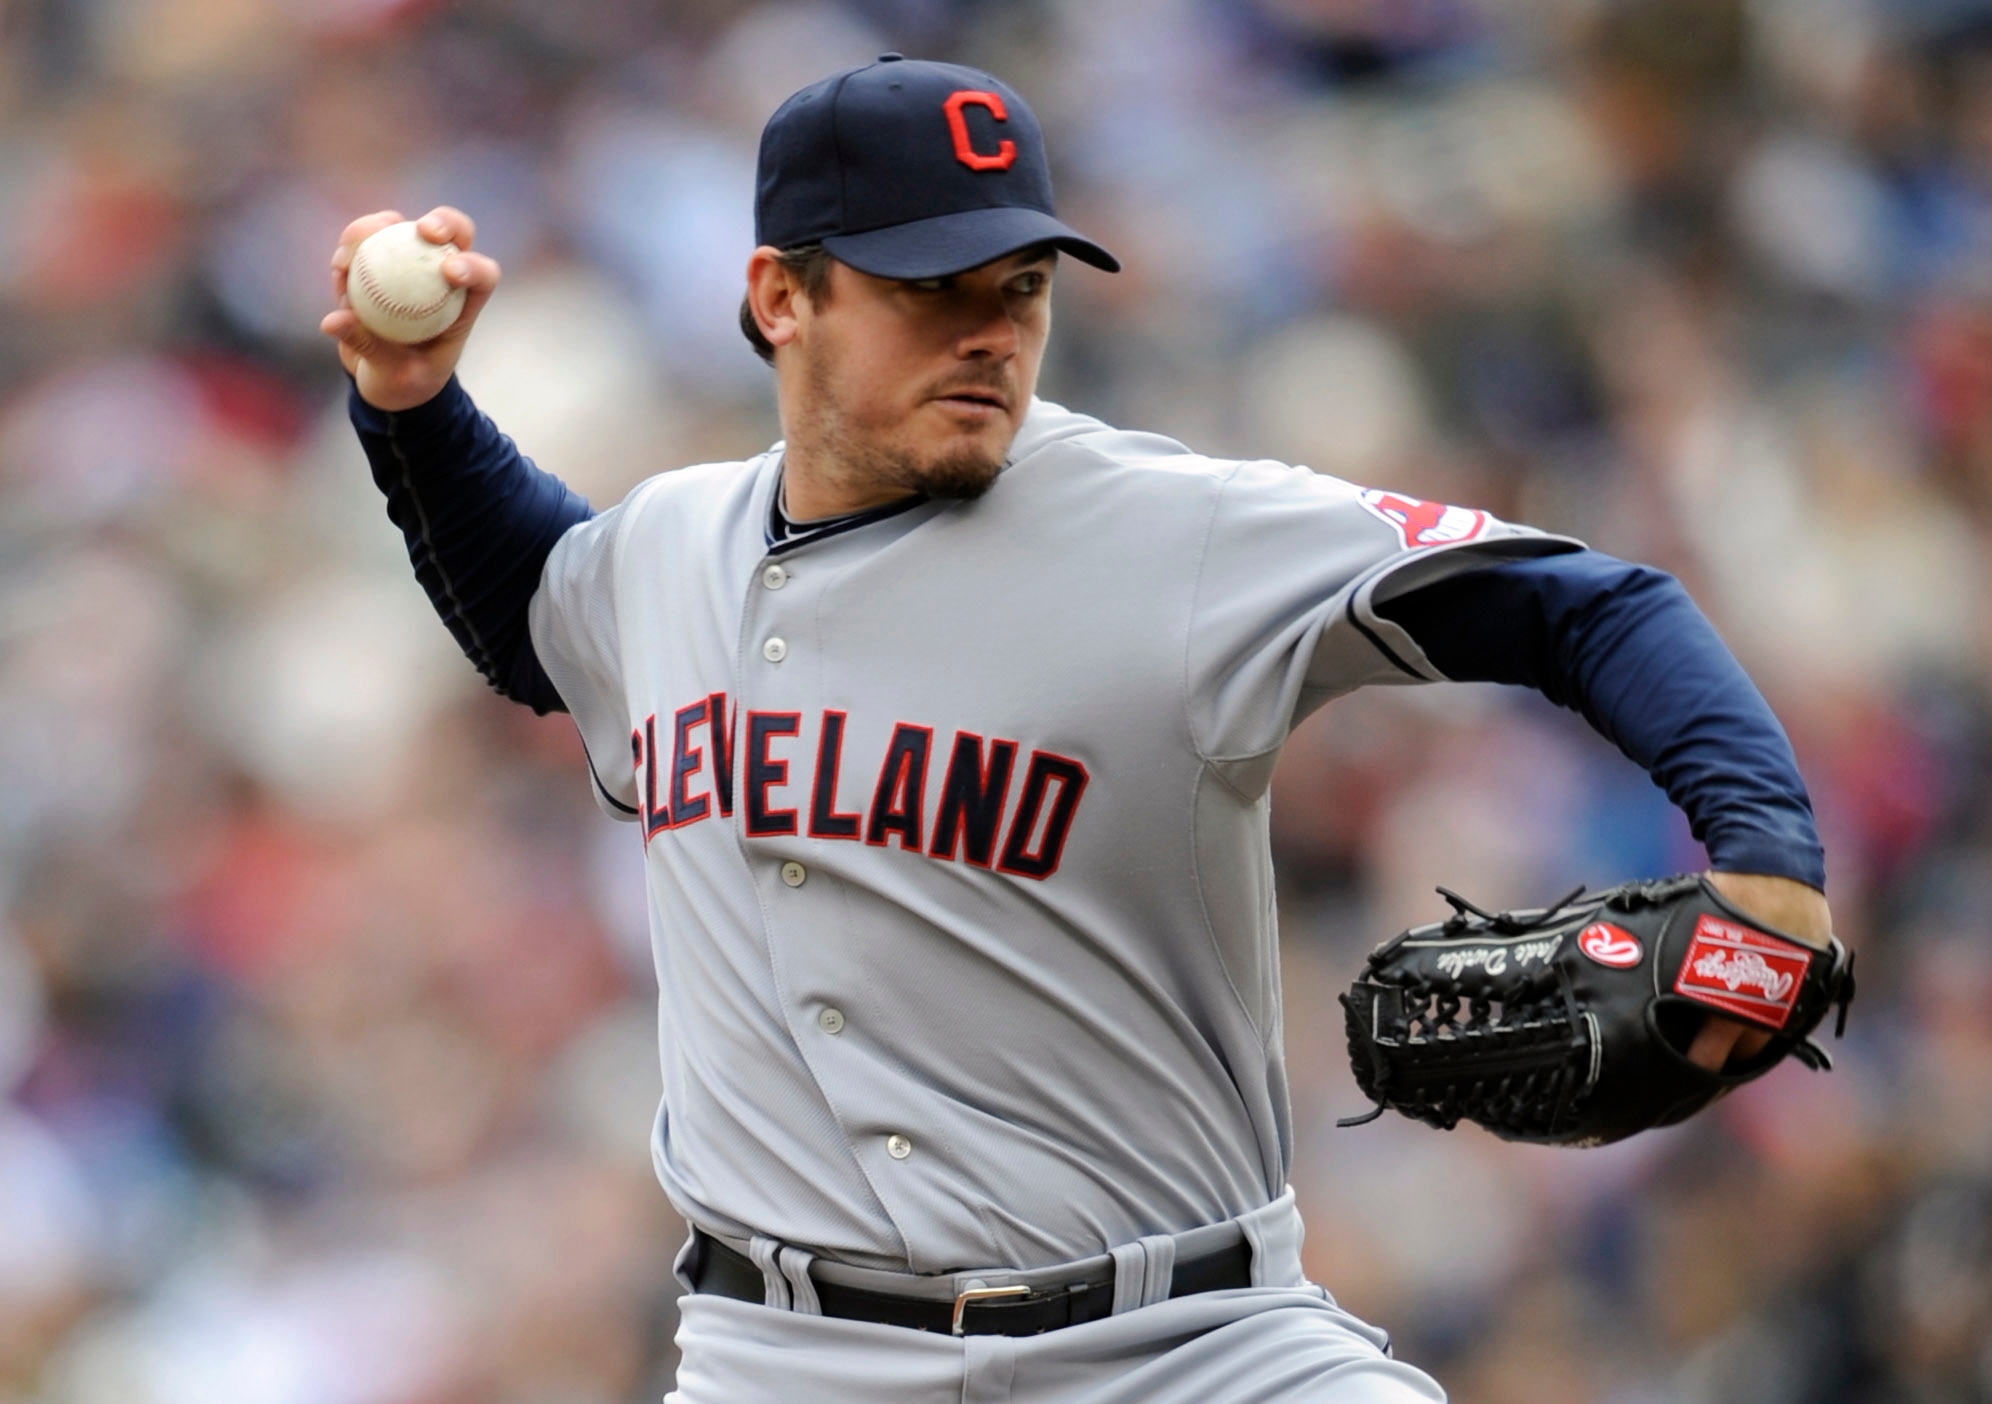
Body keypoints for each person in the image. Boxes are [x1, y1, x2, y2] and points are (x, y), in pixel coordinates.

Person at [321, 54, 1831, 1404]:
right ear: (782, 297)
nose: (990, 333)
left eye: (1021, 287)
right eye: (933, 290)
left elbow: (1587, 603)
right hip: (786, 1361)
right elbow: (538, 609)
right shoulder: (664, 551)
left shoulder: (1173, 535)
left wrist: (1767, 859)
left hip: (1187, 1351)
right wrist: (413, 407)